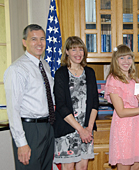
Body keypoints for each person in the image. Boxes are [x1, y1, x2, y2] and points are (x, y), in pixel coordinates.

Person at [4, 24, 55, 170]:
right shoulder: (17, 69)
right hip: (30, 129)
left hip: (47, 126)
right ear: (24, 42)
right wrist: (21, 143)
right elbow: (13, 110)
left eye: (42, 39)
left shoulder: (44, 65)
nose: (39, 43)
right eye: (34, 39)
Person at [104, 44, 139, 170]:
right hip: (123, 127)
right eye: (122, 58)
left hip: (136, 125)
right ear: (116, 60)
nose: (126, 61)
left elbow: (138, 104)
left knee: (136, 166)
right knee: (125, 165)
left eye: (128, 58)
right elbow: (121, 111)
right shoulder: (113, 79)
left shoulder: (135, 80)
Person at [53, 36, 99, 170]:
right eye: (74, 50)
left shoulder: (90, 72)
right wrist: (80, 130)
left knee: (83, 167)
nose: (78, 53)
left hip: (87, 129)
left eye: (81, 49)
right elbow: (61, 105)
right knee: (68, 167)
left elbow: (95, 103)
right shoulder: (61, 73)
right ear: (67, 52)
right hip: (68, 128)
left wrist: (89, 128)